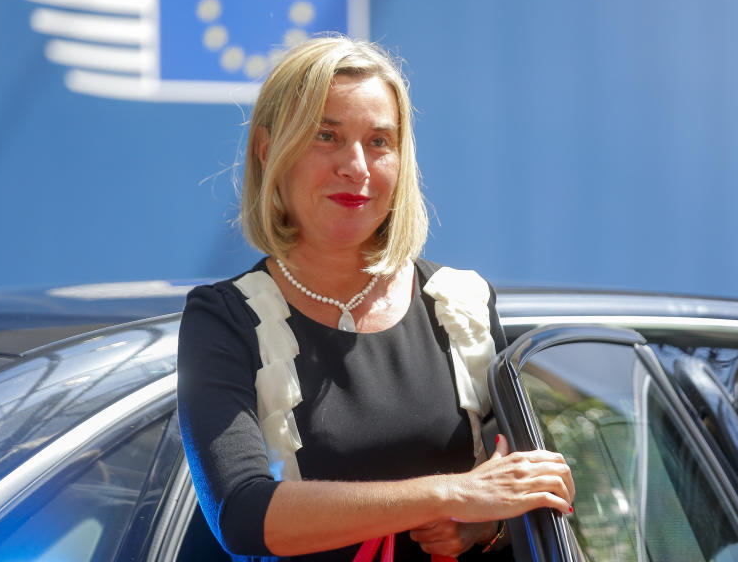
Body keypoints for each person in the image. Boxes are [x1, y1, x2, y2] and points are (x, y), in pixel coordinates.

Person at [177, 36, 574, 562]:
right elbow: (244, 515)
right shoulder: (224, 319)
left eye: (380, 141)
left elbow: (507, 488)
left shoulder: (460, 303)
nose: (356, 167)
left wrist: (482, 528)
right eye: (326, 136)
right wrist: (449, 494)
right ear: (268, 150)